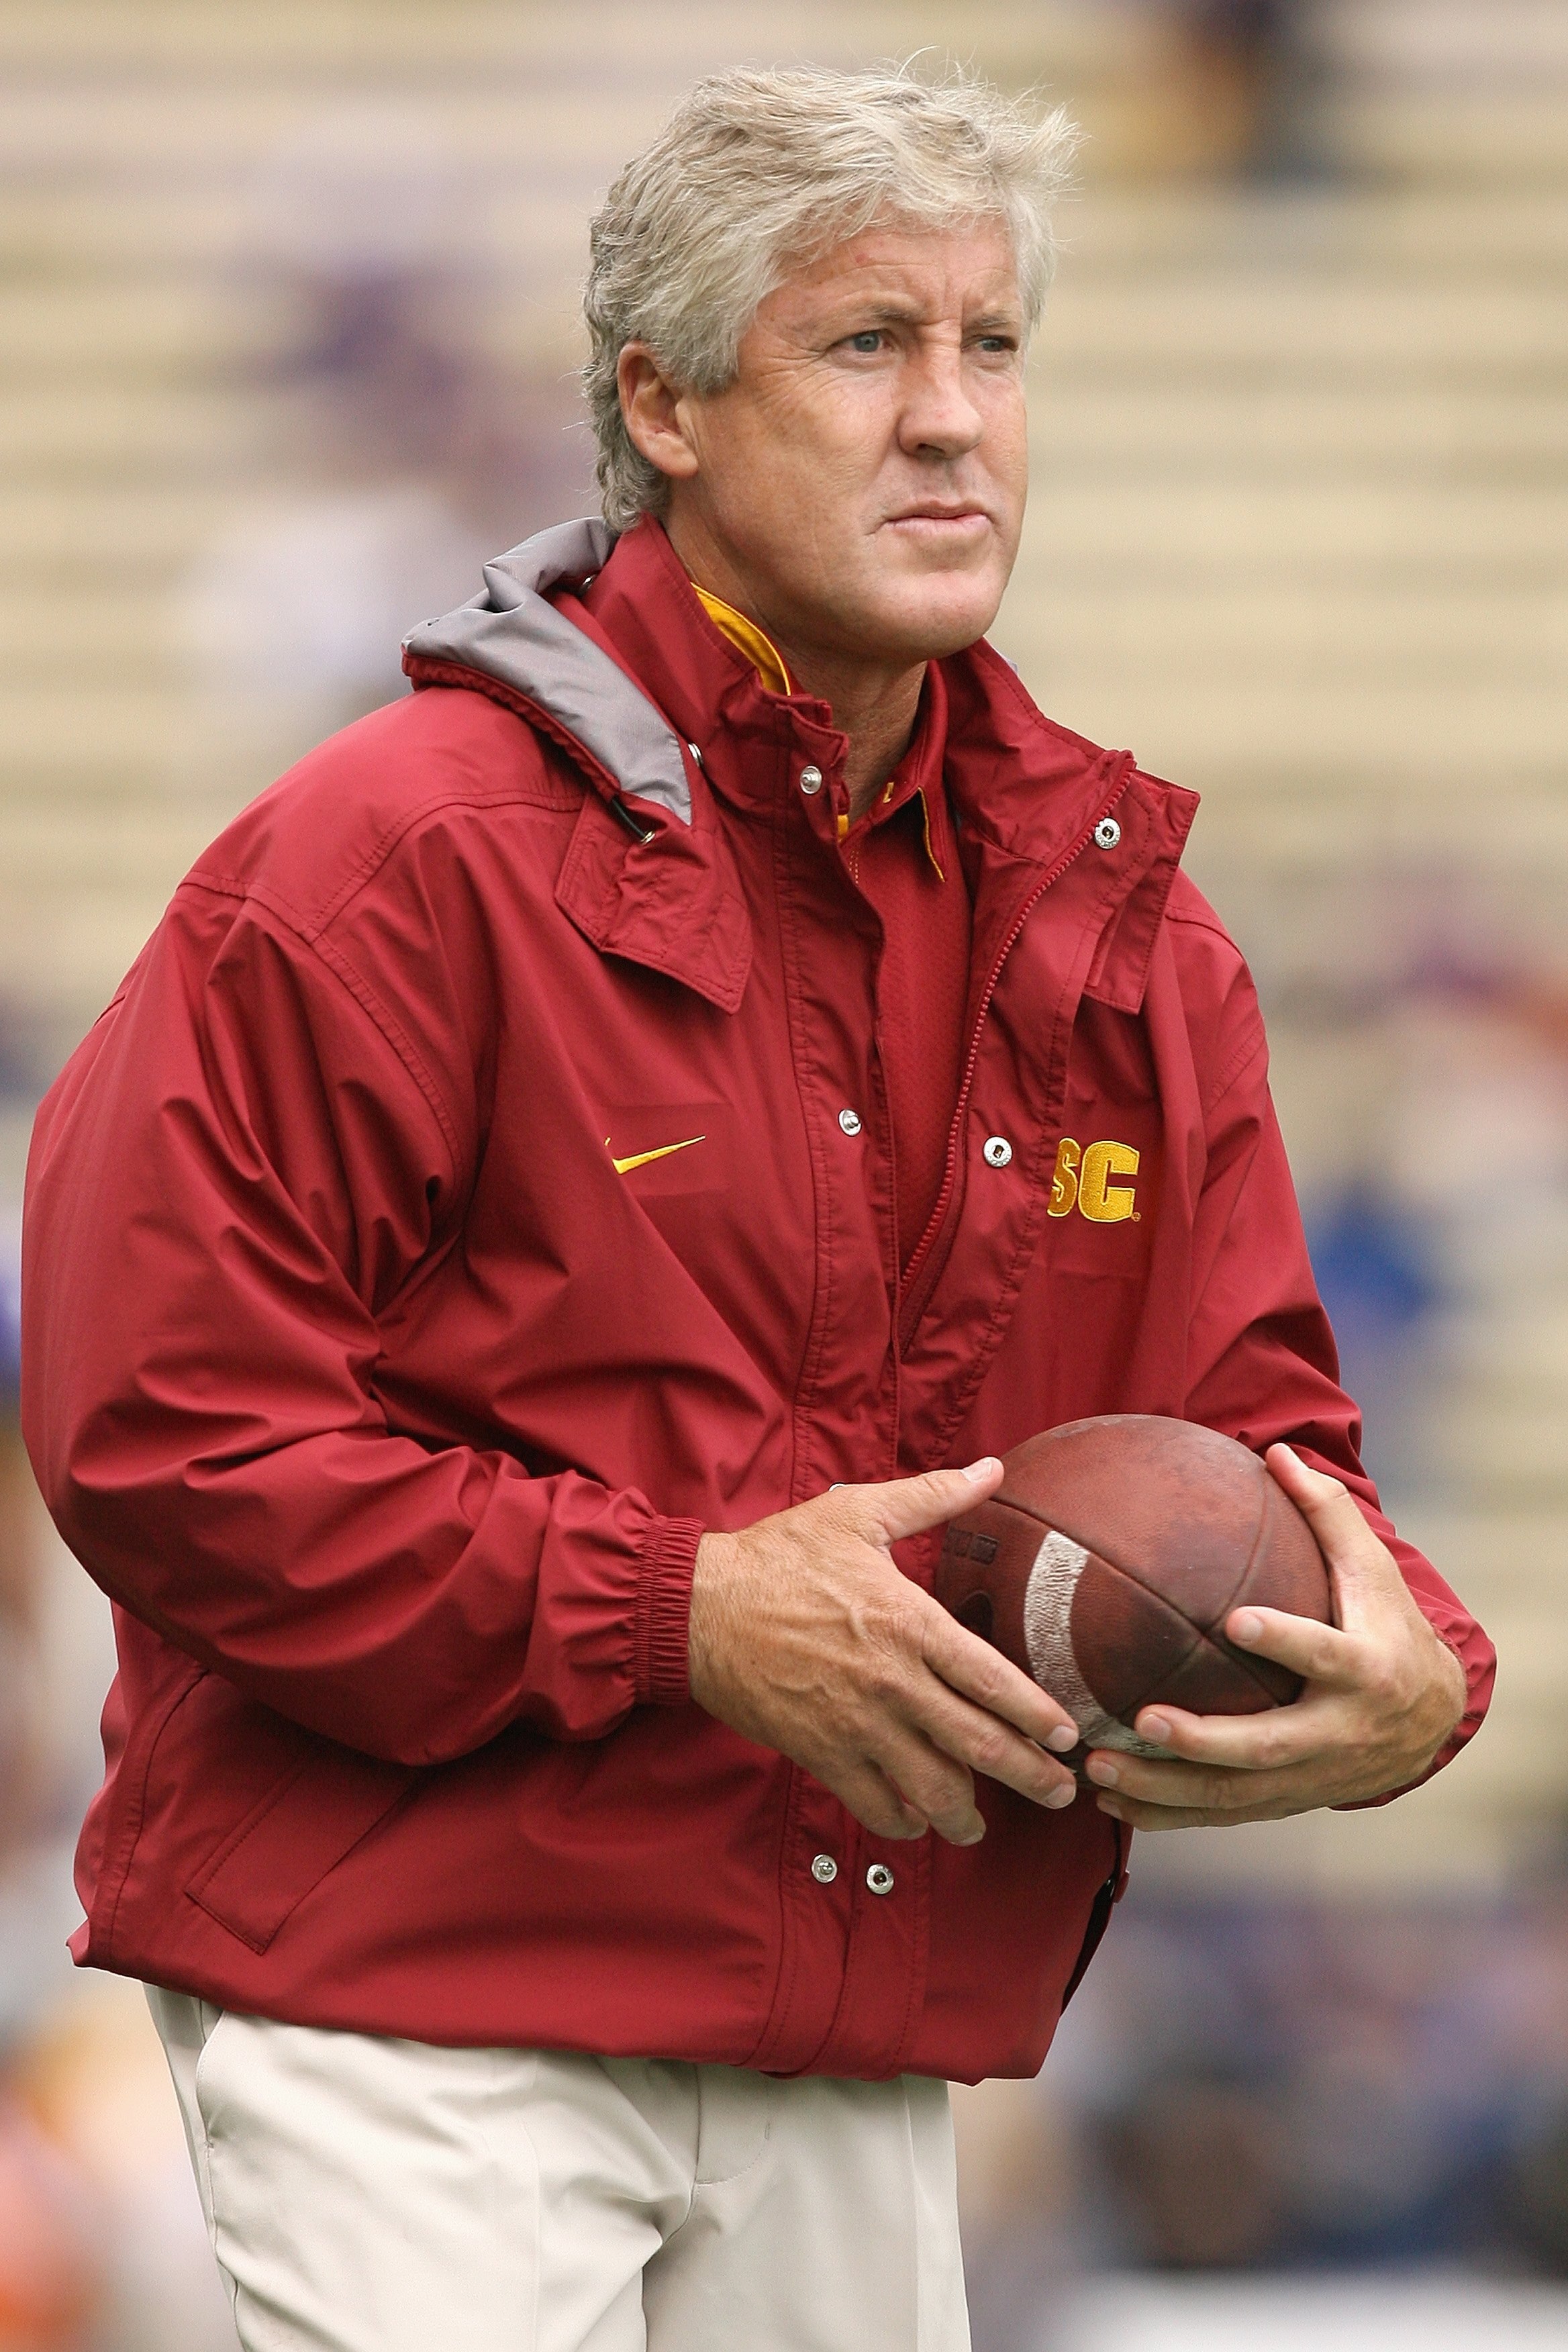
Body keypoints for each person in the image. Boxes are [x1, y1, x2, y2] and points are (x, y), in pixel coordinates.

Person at [21, 64, 1493, 2352]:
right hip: (420, 1998)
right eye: (864, 343)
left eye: (992, 345)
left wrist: (1407, 1670)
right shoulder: (387, 861)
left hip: (860, 2022)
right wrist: (681, 1611)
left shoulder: (1131, 934)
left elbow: (1257, 1440)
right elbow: (164, 1437)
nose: (952, 419)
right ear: (664, 405)